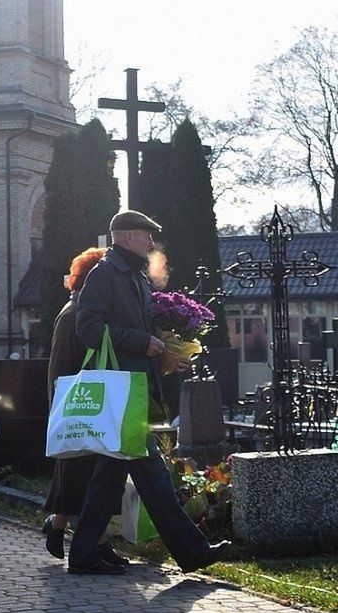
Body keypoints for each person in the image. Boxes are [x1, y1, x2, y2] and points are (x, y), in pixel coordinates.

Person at [68, 210, 231, 575]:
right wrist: (142, 342)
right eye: (145, 236)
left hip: (134, 391)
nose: (150, 243)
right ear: (126, 237)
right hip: (122, 393)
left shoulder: (135, 277)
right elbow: (88, 328)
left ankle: (83, 554)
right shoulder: (104, 275)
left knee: (110, 479)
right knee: (152, 477)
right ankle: (192, 553)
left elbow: (140, 331)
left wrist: (168, 353)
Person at [43, 247, 128, 568]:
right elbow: (66, 364)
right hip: (82, 405)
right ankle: (93, 541)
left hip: (82, 404)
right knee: (88, 473)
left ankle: (62, 527)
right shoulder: (76, 315)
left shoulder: (76, 309)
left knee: (84, 471)